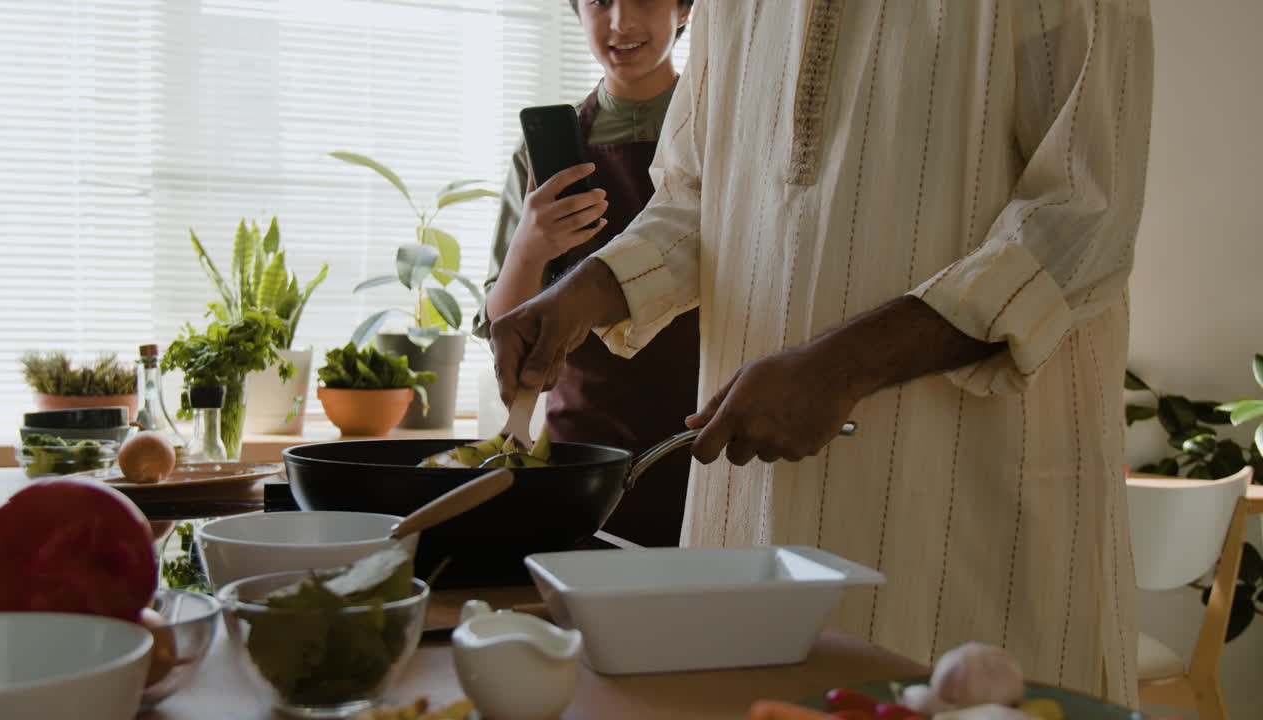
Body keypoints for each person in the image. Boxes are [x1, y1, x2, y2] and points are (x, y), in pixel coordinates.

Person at [491, 0, 1154, 706]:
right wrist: (585, 294)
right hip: (753, 519)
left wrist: (840, 368)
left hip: (963, 506)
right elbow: (692, 200)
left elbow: (1082, 221)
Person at [475, 0, 697, 547]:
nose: (620, 22)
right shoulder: (546, 151)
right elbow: (504, 326)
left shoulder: (720, 135)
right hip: (586, 449)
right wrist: (529, 247)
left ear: (686, 9)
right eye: (599, 1)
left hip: (707, 431)